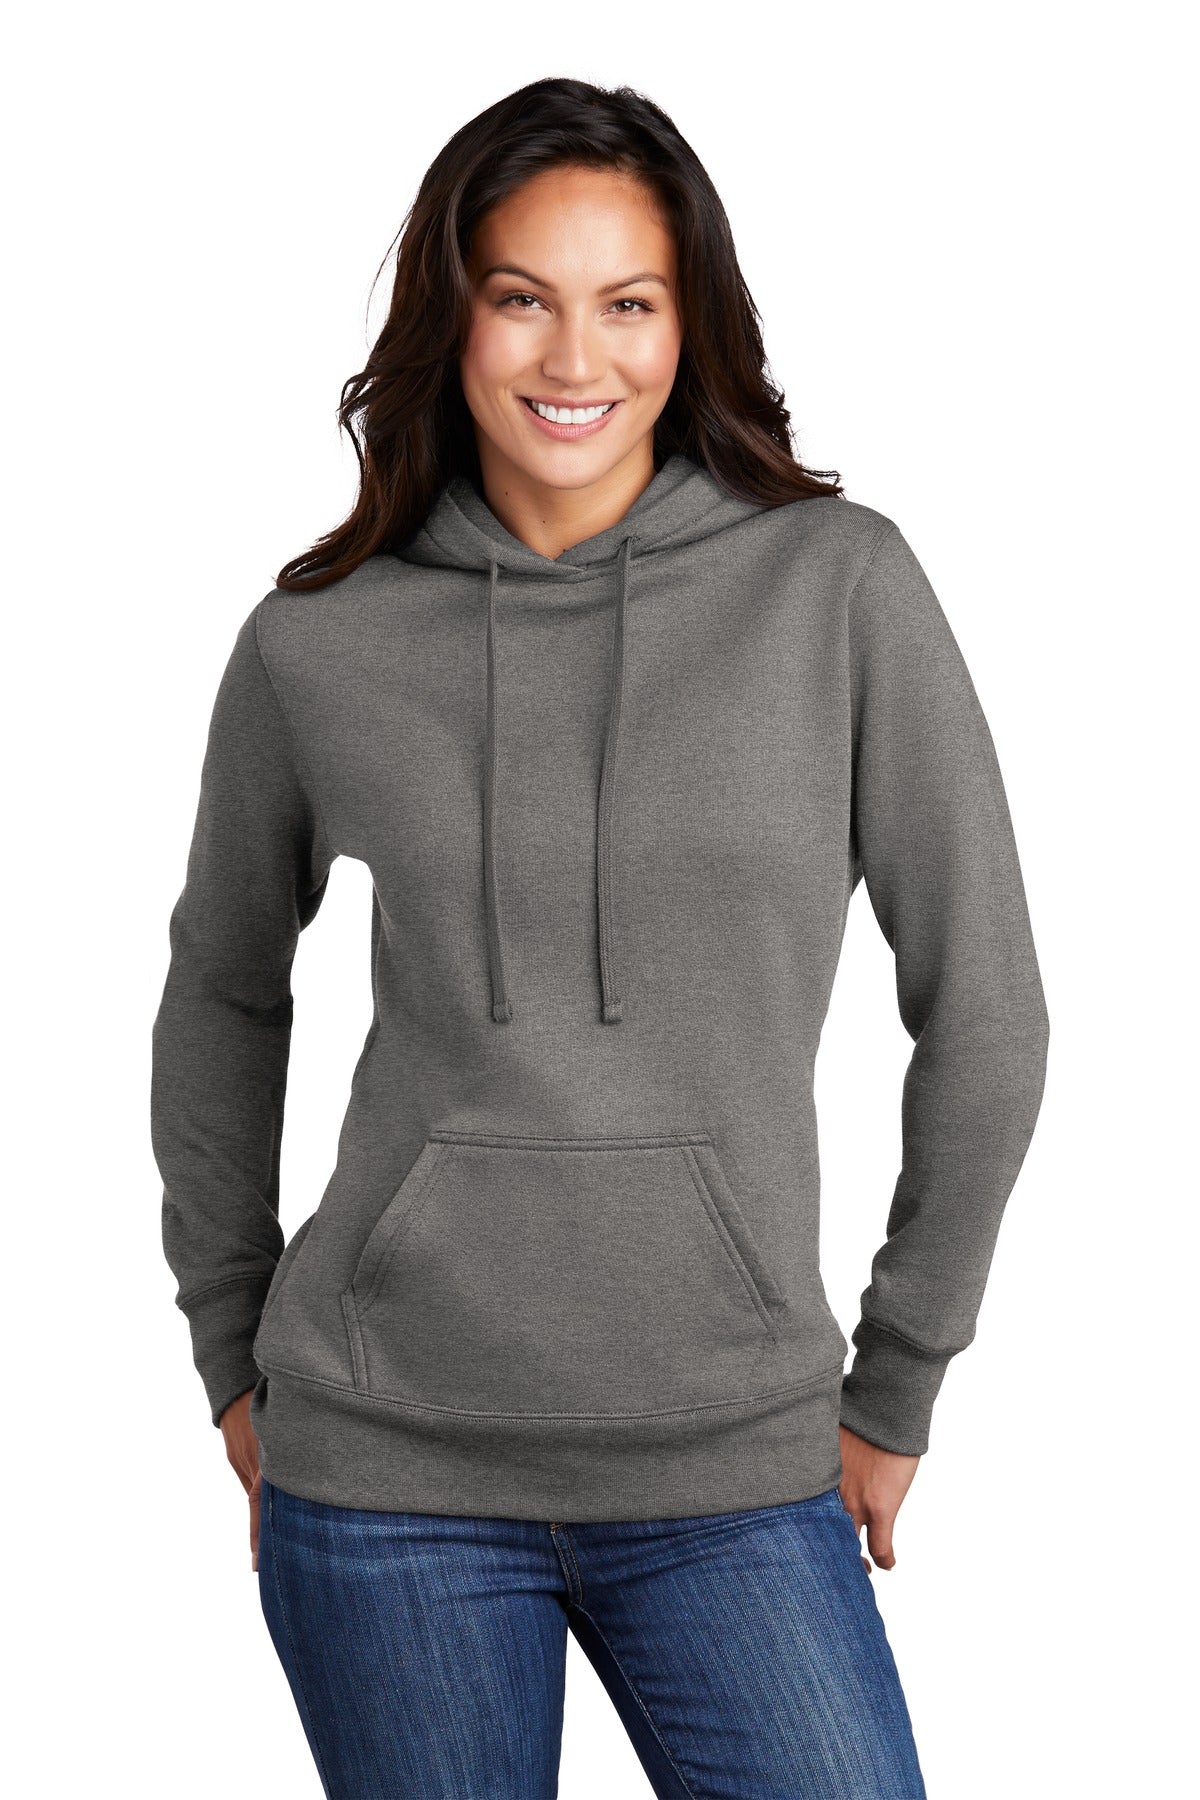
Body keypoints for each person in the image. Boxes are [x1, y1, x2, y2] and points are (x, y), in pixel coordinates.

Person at [150, 75, 1049, 1800]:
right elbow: (221, 991)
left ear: (688, 322)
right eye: (522, 298)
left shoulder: (837, 589)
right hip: (385, 1472)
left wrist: (899, 1381)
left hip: (735, 1464)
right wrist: (228, 1337)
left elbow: (990, 1009)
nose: (577, 357)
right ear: (454, 318)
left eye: (628, 302)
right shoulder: (320, 639)